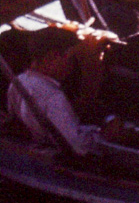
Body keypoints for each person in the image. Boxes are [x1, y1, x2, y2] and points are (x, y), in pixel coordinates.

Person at [5, 27, 102, 157]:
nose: (73, 65)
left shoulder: (18, 82)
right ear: (52, 57)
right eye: (71, 58)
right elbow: (78, 146)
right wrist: (104, 136)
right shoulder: (53, 97)